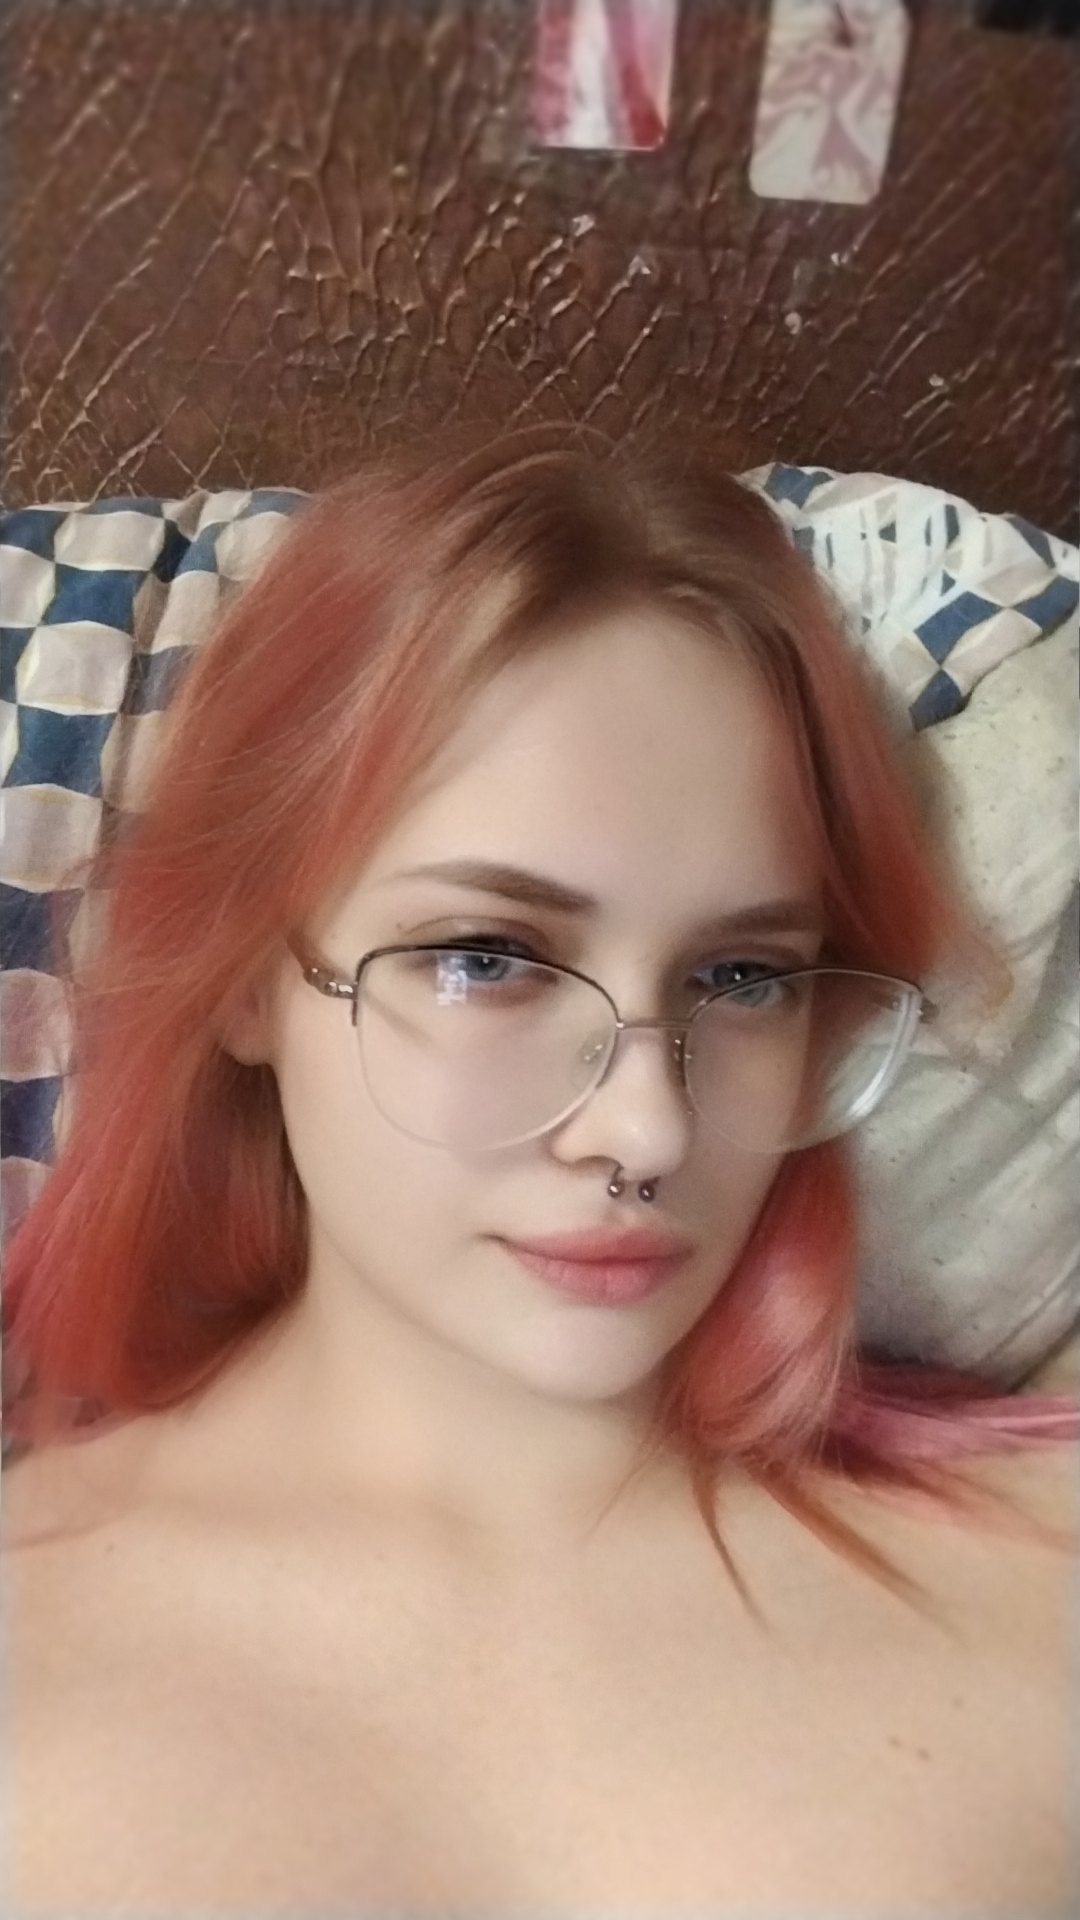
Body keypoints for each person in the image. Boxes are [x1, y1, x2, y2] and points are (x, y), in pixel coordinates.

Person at [2, 427, 1076, 1914]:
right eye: (487, 958)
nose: (648, 1130)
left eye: (745, 978)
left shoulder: (1039, 1566)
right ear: (247, 977)